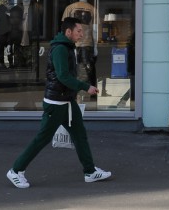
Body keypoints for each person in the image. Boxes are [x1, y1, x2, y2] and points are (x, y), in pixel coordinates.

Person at [6, 17, 112, 188]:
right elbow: (63, 76)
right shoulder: (60, 49)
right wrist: (85, 86)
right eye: (79, 31)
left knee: (79, 135)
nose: (81, 34)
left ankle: (90, 171)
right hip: (56, 103)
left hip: (67, 101)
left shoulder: (68, 47)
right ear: (68, 31)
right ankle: (16, 170)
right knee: (42, 138)